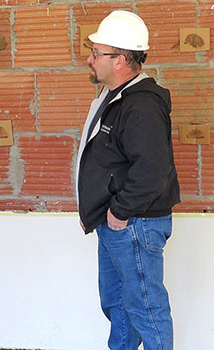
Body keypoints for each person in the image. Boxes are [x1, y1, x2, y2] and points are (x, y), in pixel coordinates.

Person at [76, 10, 180, 350]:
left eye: (97, 53)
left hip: (133, 224)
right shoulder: (117, 98)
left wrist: (120, 212)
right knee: (119, 307)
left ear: (121, 59)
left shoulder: (142, 105)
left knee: (146, 311)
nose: (90, 59)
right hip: (118, 223)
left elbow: (152, 170)